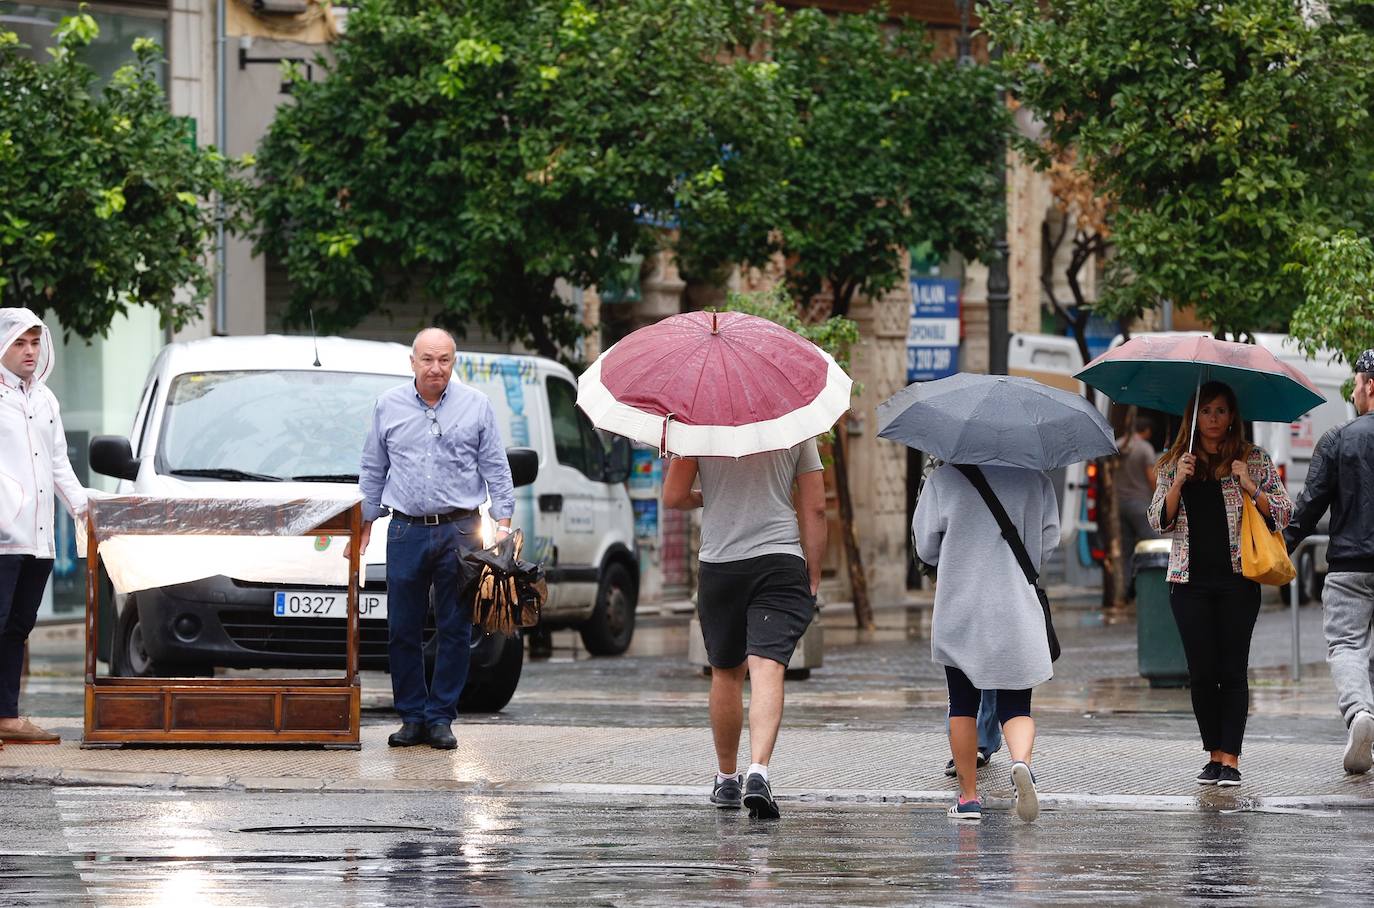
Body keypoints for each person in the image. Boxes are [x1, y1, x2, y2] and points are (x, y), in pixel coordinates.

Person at [354, 328, 514, 750]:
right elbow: (373, 468)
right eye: (427, 359)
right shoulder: (387, 406)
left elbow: (496, 466)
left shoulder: (476, 405)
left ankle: (441, 717)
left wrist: (504, 521)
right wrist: (367, 522)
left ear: (453, 362)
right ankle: (411, 717)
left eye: (444, 359)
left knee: (455, 628)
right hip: (405, 528)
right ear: (412, 362)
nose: (436, 368)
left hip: (460, 531)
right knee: (401, 628)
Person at [663, 440, 827, 820]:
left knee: (725, 672)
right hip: (780, 559)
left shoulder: (699, 426)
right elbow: (815, 506)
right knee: (767, 665)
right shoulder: (794, 423)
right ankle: (759, 771)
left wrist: (710, 496)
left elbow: (674, 496)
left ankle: (726, 778)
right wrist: (814, 571)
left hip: (721, 563)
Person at [1148, 381, 1291, 787]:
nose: (1214, 419)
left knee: (1233, 670)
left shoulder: (1253, 459)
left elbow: (1282, 515)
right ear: (1194, 416)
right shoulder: (1175, 461)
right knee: (1200, 672)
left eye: (1221, 411)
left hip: (1237, 580)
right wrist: (1177, 482)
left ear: (1233, 417)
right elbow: (1158, 521)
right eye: (1206, 411)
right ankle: (1213, 753)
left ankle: (1232, 758)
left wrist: (1251, 485)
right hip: (1188, 582)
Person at [914, 463, 1059, 823]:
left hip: (960, 606)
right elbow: (1049, 541)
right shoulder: (1034, 478)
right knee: (1017, 707)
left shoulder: (943, 479)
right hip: (1015, 606)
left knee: (962, 704)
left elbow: (925, 547)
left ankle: (968, 800)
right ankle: (1021, 763)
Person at [0, 309, 87, 747]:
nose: (30, 351)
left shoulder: (45, 400)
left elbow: (58, 466)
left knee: (17, 628)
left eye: (35, 342)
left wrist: (85, 511)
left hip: (38, 538)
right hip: (1, 538)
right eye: (20, 343)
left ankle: (7, 718)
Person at [1284, 350, 1374, 775]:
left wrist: (1277, 554)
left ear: (1369, 385)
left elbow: (1306, 510)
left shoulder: (1339, 439)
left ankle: (1359, 714)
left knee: (1347, 645)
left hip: (1350, 567)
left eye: (1356, 383)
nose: (1354, 391)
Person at [1118, 417, 1160, 595]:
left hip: (1118, 505)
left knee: (1125, 551)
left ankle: (1126, 590)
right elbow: (1151, 478)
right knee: (1152, 545)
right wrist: (1159, 499)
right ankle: (1153, 587)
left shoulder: (1117, 445)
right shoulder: (1145, 448)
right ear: (1147, 431)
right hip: (1139, 503)